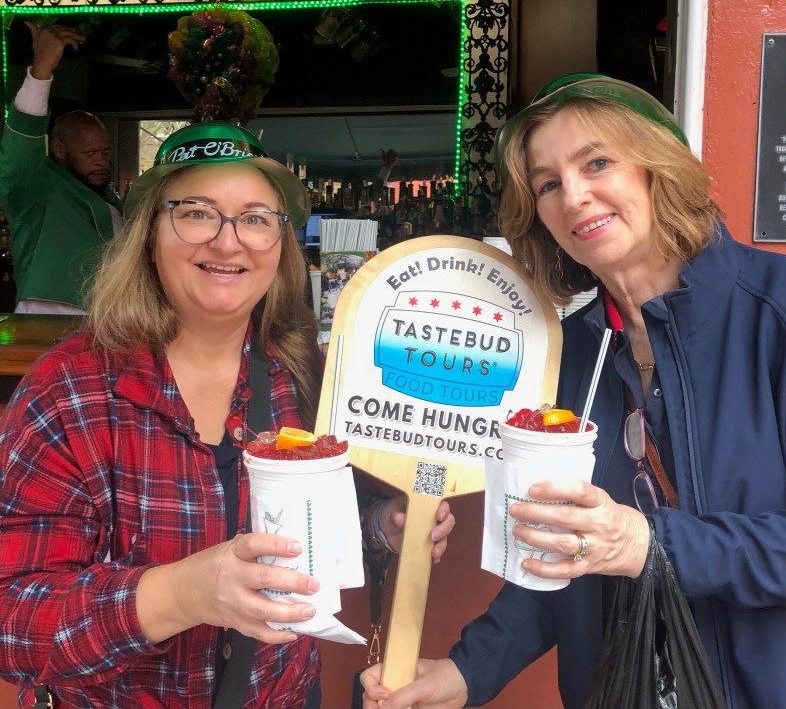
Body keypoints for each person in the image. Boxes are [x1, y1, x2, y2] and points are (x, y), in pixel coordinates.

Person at [360, 72, 786, 709]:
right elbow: (555, 556)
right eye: (547, 184)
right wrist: (465, 673)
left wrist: (650, 542)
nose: (573, 196)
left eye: (597, 162)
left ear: (655, 168)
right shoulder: (570, 353)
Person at [0, 121, 455, 708]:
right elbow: (13, 622)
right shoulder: (69, 390)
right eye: (196, 212)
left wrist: (381, 525)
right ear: (149, 233)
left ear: (280, 245)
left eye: (257, 218)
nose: (228, 241)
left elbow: (321, 532)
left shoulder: (302, 374)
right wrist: (185, 593)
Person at [0, 21, 122, 313]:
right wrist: (41, 71)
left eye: (104, 151)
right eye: (89, 152)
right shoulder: (38, 187)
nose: (100, 160)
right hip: (48, 322)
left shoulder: (110, 199)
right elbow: (19, 150)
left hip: (109, 320)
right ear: (59, 150)